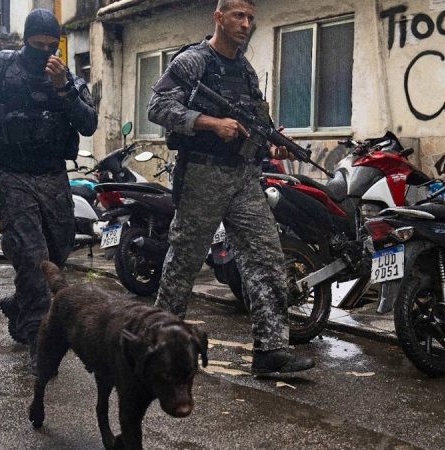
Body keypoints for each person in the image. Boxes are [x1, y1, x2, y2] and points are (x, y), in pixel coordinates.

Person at [148, 0, 314, 374]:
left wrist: (273, 139)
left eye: (251, 18)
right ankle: (157, 342)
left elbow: (257, 118)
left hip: (242, 177)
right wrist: (209, 122)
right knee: (184, 262)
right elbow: (157, 107)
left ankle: (270, 349)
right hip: (202, 175)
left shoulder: (245, 69)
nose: (246, 24)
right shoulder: (193, 61)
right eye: (239, 16)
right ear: (219, 17)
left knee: (267, 257)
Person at [0, 9, 97, 374]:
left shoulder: (65, 77)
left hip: (53, 175)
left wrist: (64, 89)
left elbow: (89, 124)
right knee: (34, 258)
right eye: (38, 45)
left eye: (52, 45)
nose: (46, 52)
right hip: (10, 174)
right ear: (25, 42)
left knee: (58, 253)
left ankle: (20, 303)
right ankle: (38, 338)